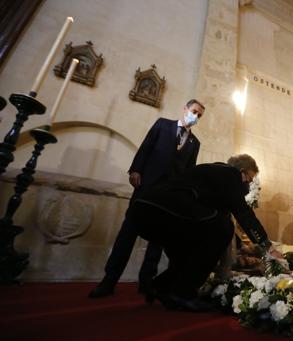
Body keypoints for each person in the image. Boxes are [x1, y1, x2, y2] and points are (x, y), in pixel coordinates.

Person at [131, 154, 280, 311]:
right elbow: (243, 213)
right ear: (242, 171)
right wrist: (267, 246)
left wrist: (241, 244)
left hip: (145, 210)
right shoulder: (231, 174)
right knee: (224, 229)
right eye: (249, 179)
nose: (249, 185)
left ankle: (161, 286)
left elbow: (214, 215)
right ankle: (185, 293)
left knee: (189, 250)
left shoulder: (211, 173)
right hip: (167, 211)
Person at [89, 99, 205, 298]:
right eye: (194, 111)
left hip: (168, 197)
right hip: (147, 187)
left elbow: (189, 172)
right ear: (185, 108)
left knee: (157, 240)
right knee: (128, 233)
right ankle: (109, 280)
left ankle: (146, 283)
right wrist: (136, 169)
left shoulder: (195, 143)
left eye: (199, 115)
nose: (196, 116)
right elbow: (146, 147)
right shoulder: (163, 124)